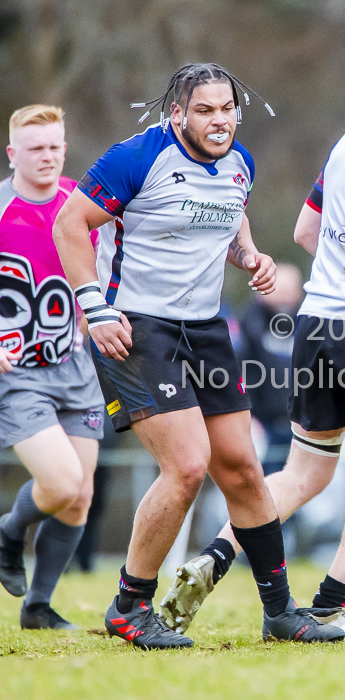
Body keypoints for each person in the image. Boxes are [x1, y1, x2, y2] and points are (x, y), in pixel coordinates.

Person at [159, 45, 345, 637]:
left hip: (315, 324)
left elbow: (304, 230)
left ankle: (215, 557)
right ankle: (328, 608)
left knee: (304, 474)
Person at [52, 63, 343, 648]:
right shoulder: (136, 158)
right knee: (186, 467)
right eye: (204, 110)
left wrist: (250, 255)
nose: (219, 120)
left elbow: (229, 214)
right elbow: (70, 224)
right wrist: (94, 307)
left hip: (205, 328)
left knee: (241, 468)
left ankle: (280, 612)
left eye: (227, 108)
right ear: (177, 113)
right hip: (136, 328)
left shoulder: (241, 163)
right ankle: (128, 608)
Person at [0, 104, 105, 630]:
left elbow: (104, 265)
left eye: (54, 147)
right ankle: (9, 530)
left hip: (75, 367)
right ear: (12, 152)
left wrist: (97, 314)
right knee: (61, 483)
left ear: (65, 148)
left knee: (78, 498)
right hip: (17, 374)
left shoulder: (78, 204)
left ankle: (38, 607)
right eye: (34, 148)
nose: (46, 157)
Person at [235, 262, 305, 476]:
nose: (284, 297)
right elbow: (235, 373)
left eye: (289, 290)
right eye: (278, 290)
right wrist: (245, 417)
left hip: (305, 423)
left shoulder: (310, 325)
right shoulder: (246, 324)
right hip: (260, 424)